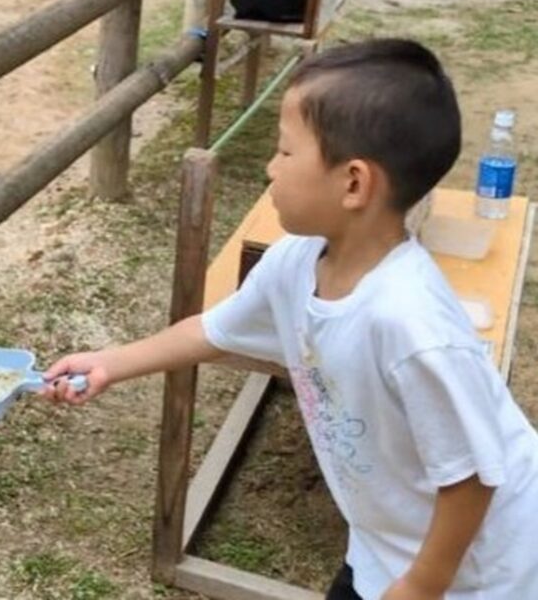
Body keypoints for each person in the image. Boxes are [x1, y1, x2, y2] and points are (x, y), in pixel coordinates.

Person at [43, 40, 538, 600]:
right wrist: (110, 363)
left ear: (354, 183)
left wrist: (423, 585)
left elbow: (473, 475)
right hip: (385, 548)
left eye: (284, 152)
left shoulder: (413, 327)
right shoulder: (295, 261)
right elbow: (212, 331)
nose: (269, 167)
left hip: (481, 574)